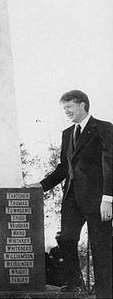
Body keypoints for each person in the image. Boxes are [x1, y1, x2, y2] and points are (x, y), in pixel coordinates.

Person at [26, 90, 112, 298]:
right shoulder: (67, 133)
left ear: (82, 105)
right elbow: (64, 169)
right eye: (64, 108)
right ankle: (74, 283)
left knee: (101, 248)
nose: (66, 111)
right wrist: (41, 185)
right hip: (72, 198)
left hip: (97, 199)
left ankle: (105, 293)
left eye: (69, 107)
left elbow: (110, 163)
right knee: (66, 238)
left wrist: (108, 199)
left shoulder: (104, 128)